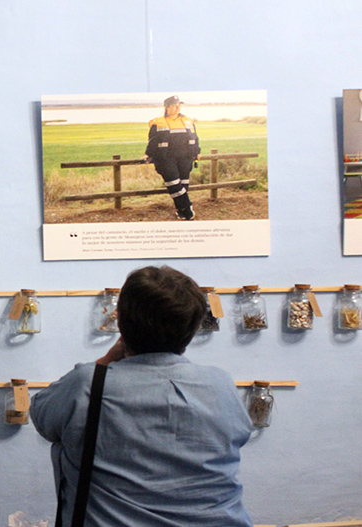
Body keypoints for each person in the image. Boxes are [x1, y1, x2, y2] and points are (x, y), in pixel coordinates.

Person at [31, 266, 253, 527]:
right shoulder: (220, 384)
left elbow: (41, 415)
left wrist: (104, 362)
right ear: (192, 327)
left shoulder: (89, 384)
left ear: (121, 323)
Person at [143, 96, 200, 220]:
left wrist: (197, 152)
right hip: (166, 158)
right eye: (174, 105)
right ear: (167, 107)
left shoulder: (188, 120)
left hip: (185, 157)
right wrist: (148, 153)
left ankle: (181, 211)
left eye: (179, 105)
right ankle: (188, 208)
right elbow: (152, 140)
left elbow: (195, 138)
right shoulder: (157, 121)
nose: (178, 108)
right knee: (174, 184)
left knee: (183, 184)